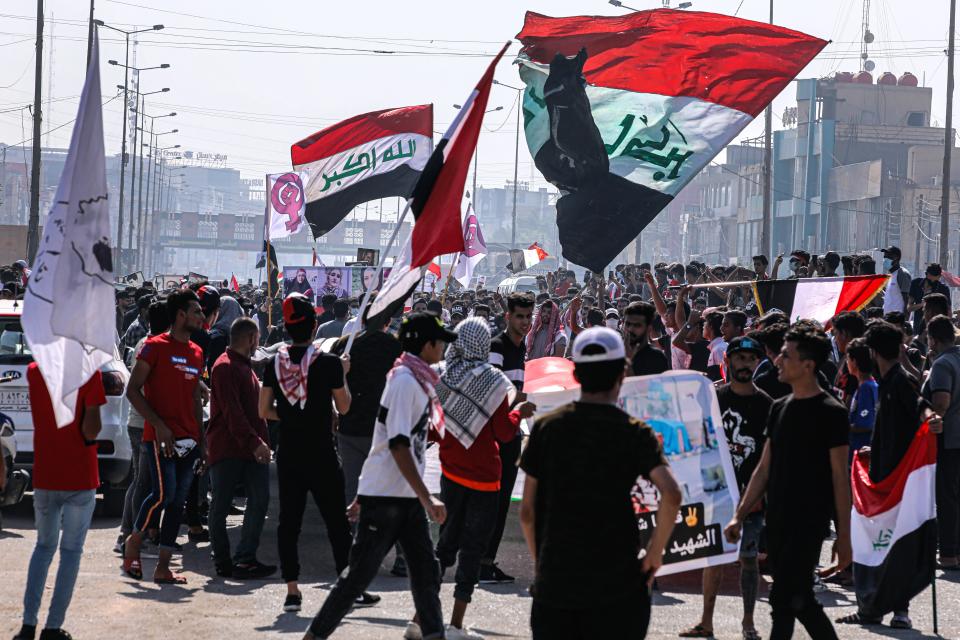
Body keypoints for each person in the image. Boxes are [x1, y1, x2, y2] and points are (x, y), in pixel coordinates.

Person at [519, 326, 682, 639]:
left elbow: (528, 511)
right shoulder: (636, 432)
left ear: (576, 374)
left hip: (558, 582)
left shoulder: (547, 428)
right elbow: (671, 494)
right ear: (622, 373)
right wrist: (654, 553)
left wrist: (542, 563)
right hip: (619, 584)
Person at [303, 312, 457, 640]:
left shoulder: (414, 379)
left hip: (401, 495)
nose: (443, 348)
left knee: (427, 574)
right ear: (427, 345)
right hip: (389, 498)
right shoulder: (405, 382)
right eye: (441, 342)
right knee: (357, 578)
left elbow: (382, 439)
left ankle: (429, 633)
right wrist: (426, 497)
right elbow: (398, 444)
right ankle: (314, 635)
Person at [725, 323, 851, 640]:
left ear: (807, 365)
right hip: (776, 520)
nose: (777, 361)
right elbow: (763, 468)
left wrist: (845, 537)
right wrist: (739, 515)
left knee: (788, 599)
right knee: (794, 601)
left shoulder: (831, 412)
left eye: (785, 355)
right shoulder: (779, 407)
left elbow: (840, 478)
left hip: (808, 523)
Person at [259, 294, 374, 612]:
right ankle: (347, 585)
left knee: (288, 521)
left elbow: (264, 410)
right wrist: (344, 375)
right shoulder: (330, 363)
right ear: (313, 328)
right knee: (337, 521)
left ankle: (292, 590)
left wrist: (293, 414)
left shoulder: (274, 363)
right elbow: (345, 406)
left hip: (289, 454)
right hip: (322, 452)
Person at [429, 318, 532, 639]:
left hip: (451, 471)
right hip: (485, 478)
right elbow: (503, 432)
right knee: (471, 552)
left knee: (444, 547)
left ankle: (421, 619)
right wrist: (520, 412)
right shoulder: (494, 381)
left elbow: (434, 428)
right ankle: (457, 624)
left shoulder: (442, 376)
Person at [838, 320, 937, 628]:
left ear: (872, 349)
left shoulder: (899, 380)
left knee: (892, 543)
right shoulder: (887, 380)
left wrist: (930, 416)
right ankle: (876, 607)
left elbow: (920, 404)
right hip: (885, 472)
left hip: (898, 479)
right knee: (883, 542)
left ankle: (895, 609)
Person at [681, 336, 770, 640]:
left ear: (757, 363)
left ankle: (748, 622)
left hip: (751, 498)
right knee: (712, 558)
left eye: (750, 359)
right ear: (728, 361)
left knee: (748, 558)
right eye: (740, 359)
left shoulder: (766, 405)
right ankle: (706, 622)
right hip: (715, 494)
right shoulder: (714, 399)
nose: (745, 365)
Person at [13, 366, 106, 640]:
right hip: (79, 476)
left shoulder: (34, 371)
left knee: (43, 548)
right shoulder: (89, 372)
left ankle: (28, 625)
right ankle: (52, 628)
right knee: (71, 552)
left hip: (46, 473)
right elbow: (92, 430)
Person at [123, 288, 206, 585]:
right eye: (196, 311)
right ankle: (133, 543)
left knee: (177, 503)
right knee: (162, 494)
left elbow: (195, 397)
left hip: (189, 441)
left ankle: (162, 567)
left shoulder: (197, 352)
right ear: (181, 315)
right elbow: (132, 390)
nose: (201, 316)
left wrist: (203, 443)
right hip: (159, 439)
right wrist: (158, 425)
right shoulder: (154, 347)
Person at [207, 317, 276, 579]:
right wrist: (255, 442)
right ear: (251, 338)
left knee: (259, 501)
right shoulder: (224, 368)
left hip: (252, 449)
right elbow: (233, 413)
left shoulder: (245, 367)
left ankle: (246, 558)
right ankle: (223, 562)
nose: (258, 343)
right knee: (220, 506)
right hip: (228, 449)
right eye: (257, 338)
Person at [482, 292, 534, 584]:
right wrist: (524, 399)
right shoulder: (497, 347)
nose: (525, 322)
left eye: (528, 317)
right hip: (495, 436)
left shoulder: (520, 347)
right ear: (508, 317)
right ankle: (478, 561)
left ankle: (487, 561)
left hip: (511, 434)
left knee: (501, 504)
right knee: (491, 502)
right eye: (519, 316)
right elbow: (493, 391)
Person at [114, 300, 170, 555]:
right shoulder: (149, 347)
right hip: (142, 423)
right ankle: (132, 535)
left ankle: (129, 532)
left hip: (140, 421)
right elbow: (136, 390)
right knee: (144, 483)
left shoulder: (151, 345)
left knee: (141, 481)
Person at [922, 315, 960, 571]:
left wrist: (930, 416)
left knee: (946, 498)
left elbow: (941, 403)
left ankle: (948, 553)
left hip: (948, 439)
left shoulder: (943, 364)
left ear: (933, 339)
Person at [845, 337, 878, 462]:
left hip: (861, 454)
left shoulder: (866, 388)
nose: (846, 362)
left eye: (848, 359)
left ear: (854, 362)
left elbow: (866, 424)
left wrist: (841, 425)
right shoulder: (866, 385)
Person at [622, 301, 669, 376]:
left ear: (649, 328)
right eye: (627, 324)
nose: (630, 329)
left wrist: (627, 362)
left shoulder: (656, 358)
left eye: (637, 325)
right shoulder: (614, 353)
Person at [908, 263, 951, 332]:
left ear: (939, 276)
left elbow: (948, 311)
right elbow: (909, 308)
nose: (930, 279)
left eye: (933, 277)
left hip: (936, 328)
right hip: (918, 327)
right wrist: (922, 304)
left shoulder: (943, 289)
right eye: (928, 275)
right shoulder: (916, 284)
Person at [881, 246, 911, 315]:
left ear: (896, 258)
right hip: (888, 317)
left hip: (897, 319)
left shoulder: (902, 273)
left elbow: (906, 298)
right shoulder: (890, 275)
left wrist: (904, 319)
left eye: (888, 257)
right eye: (885, 256)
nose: (885, 259)